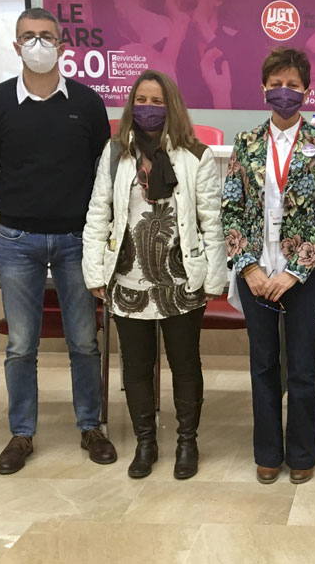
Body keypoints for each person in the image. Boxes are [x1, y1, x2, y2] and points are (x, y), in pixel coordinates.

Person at [0, 8, 116, 474]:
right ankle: (21, 434)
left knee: (84, 341)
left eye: (46, 36)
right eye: (28, 36)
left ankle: (91, 426)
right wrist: (17, 202)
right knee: (20, 344)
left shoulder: (87, 103)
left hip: (77, 238)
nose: (38, 44)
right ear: (16, 46)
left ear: (62, 45)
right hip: (17, 239)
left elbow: (104, 169)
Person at [82, 70, 226, 479]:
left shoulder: (196, 155)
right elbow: (98, 213)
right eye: (141, 100)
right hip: (127, 279)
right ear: (131, 105)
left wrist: (214, 278)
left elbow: (211, 221)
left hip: (182, 281)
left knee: (185, 365)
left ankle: (186, 443)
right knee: (136, 368)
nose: (148, 108)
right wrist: (94, 272)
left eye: (157, 101)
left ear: (172, 106)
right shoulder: (115, 153)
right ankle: (145, 443)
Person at [222, 47, 315, 484]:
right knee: (263, 363)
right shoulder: (246, 142)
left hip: (302, 273)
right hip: (255, 270)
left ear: (306, 90)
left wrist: (294, 271)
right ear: (263, 89)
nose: (284, 91)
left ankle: (303, 453)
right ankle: (268, 451)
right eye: (276, 84)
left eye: (293, 85)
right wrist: (248, 267)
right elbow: (230, 210)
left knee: (303, 366)